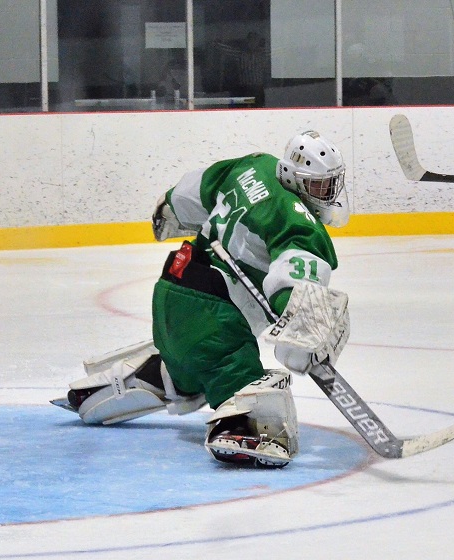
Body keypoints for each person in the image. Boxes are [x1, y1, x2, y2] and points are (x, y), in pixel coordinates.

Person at [52, 130, 352, 468]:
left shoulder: (253, 166)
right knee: (244, 379)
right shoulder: (301, 224)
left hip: (172, 291)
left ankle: (112, 387)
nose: (327, 194)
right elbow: (294, 284)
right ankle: (244, 428)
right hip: (214, 318)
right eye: (319, 186)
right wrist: (304, 331)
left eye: (330, 184)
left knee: (187, 370)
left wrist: (169, 207)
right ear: (292, 177)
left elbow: (191, 190)